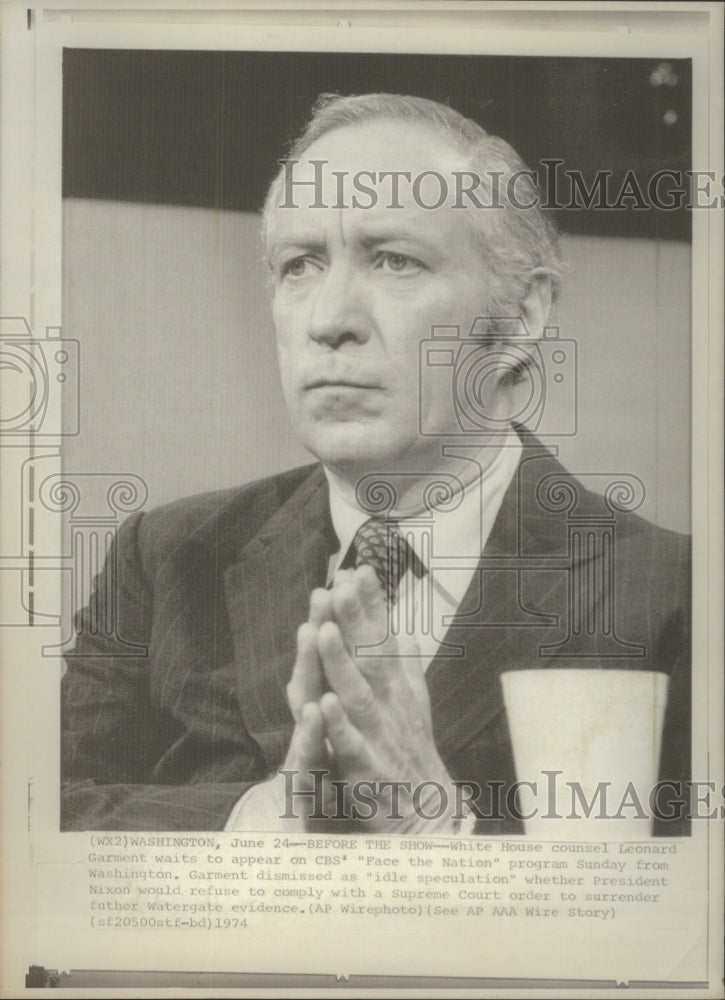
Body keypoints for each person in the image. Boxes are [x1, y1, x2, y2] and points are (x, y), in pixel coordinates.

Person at [61, 93, 690, 834]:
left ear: (520, 316)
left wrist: (440, 835)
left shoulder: (672, 600)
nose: (329, 320)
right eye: (299, 265)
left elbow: (687, 925)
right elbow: (42, 819)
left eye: (394, 260)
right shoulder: (164, 560)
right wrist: (250, 824)